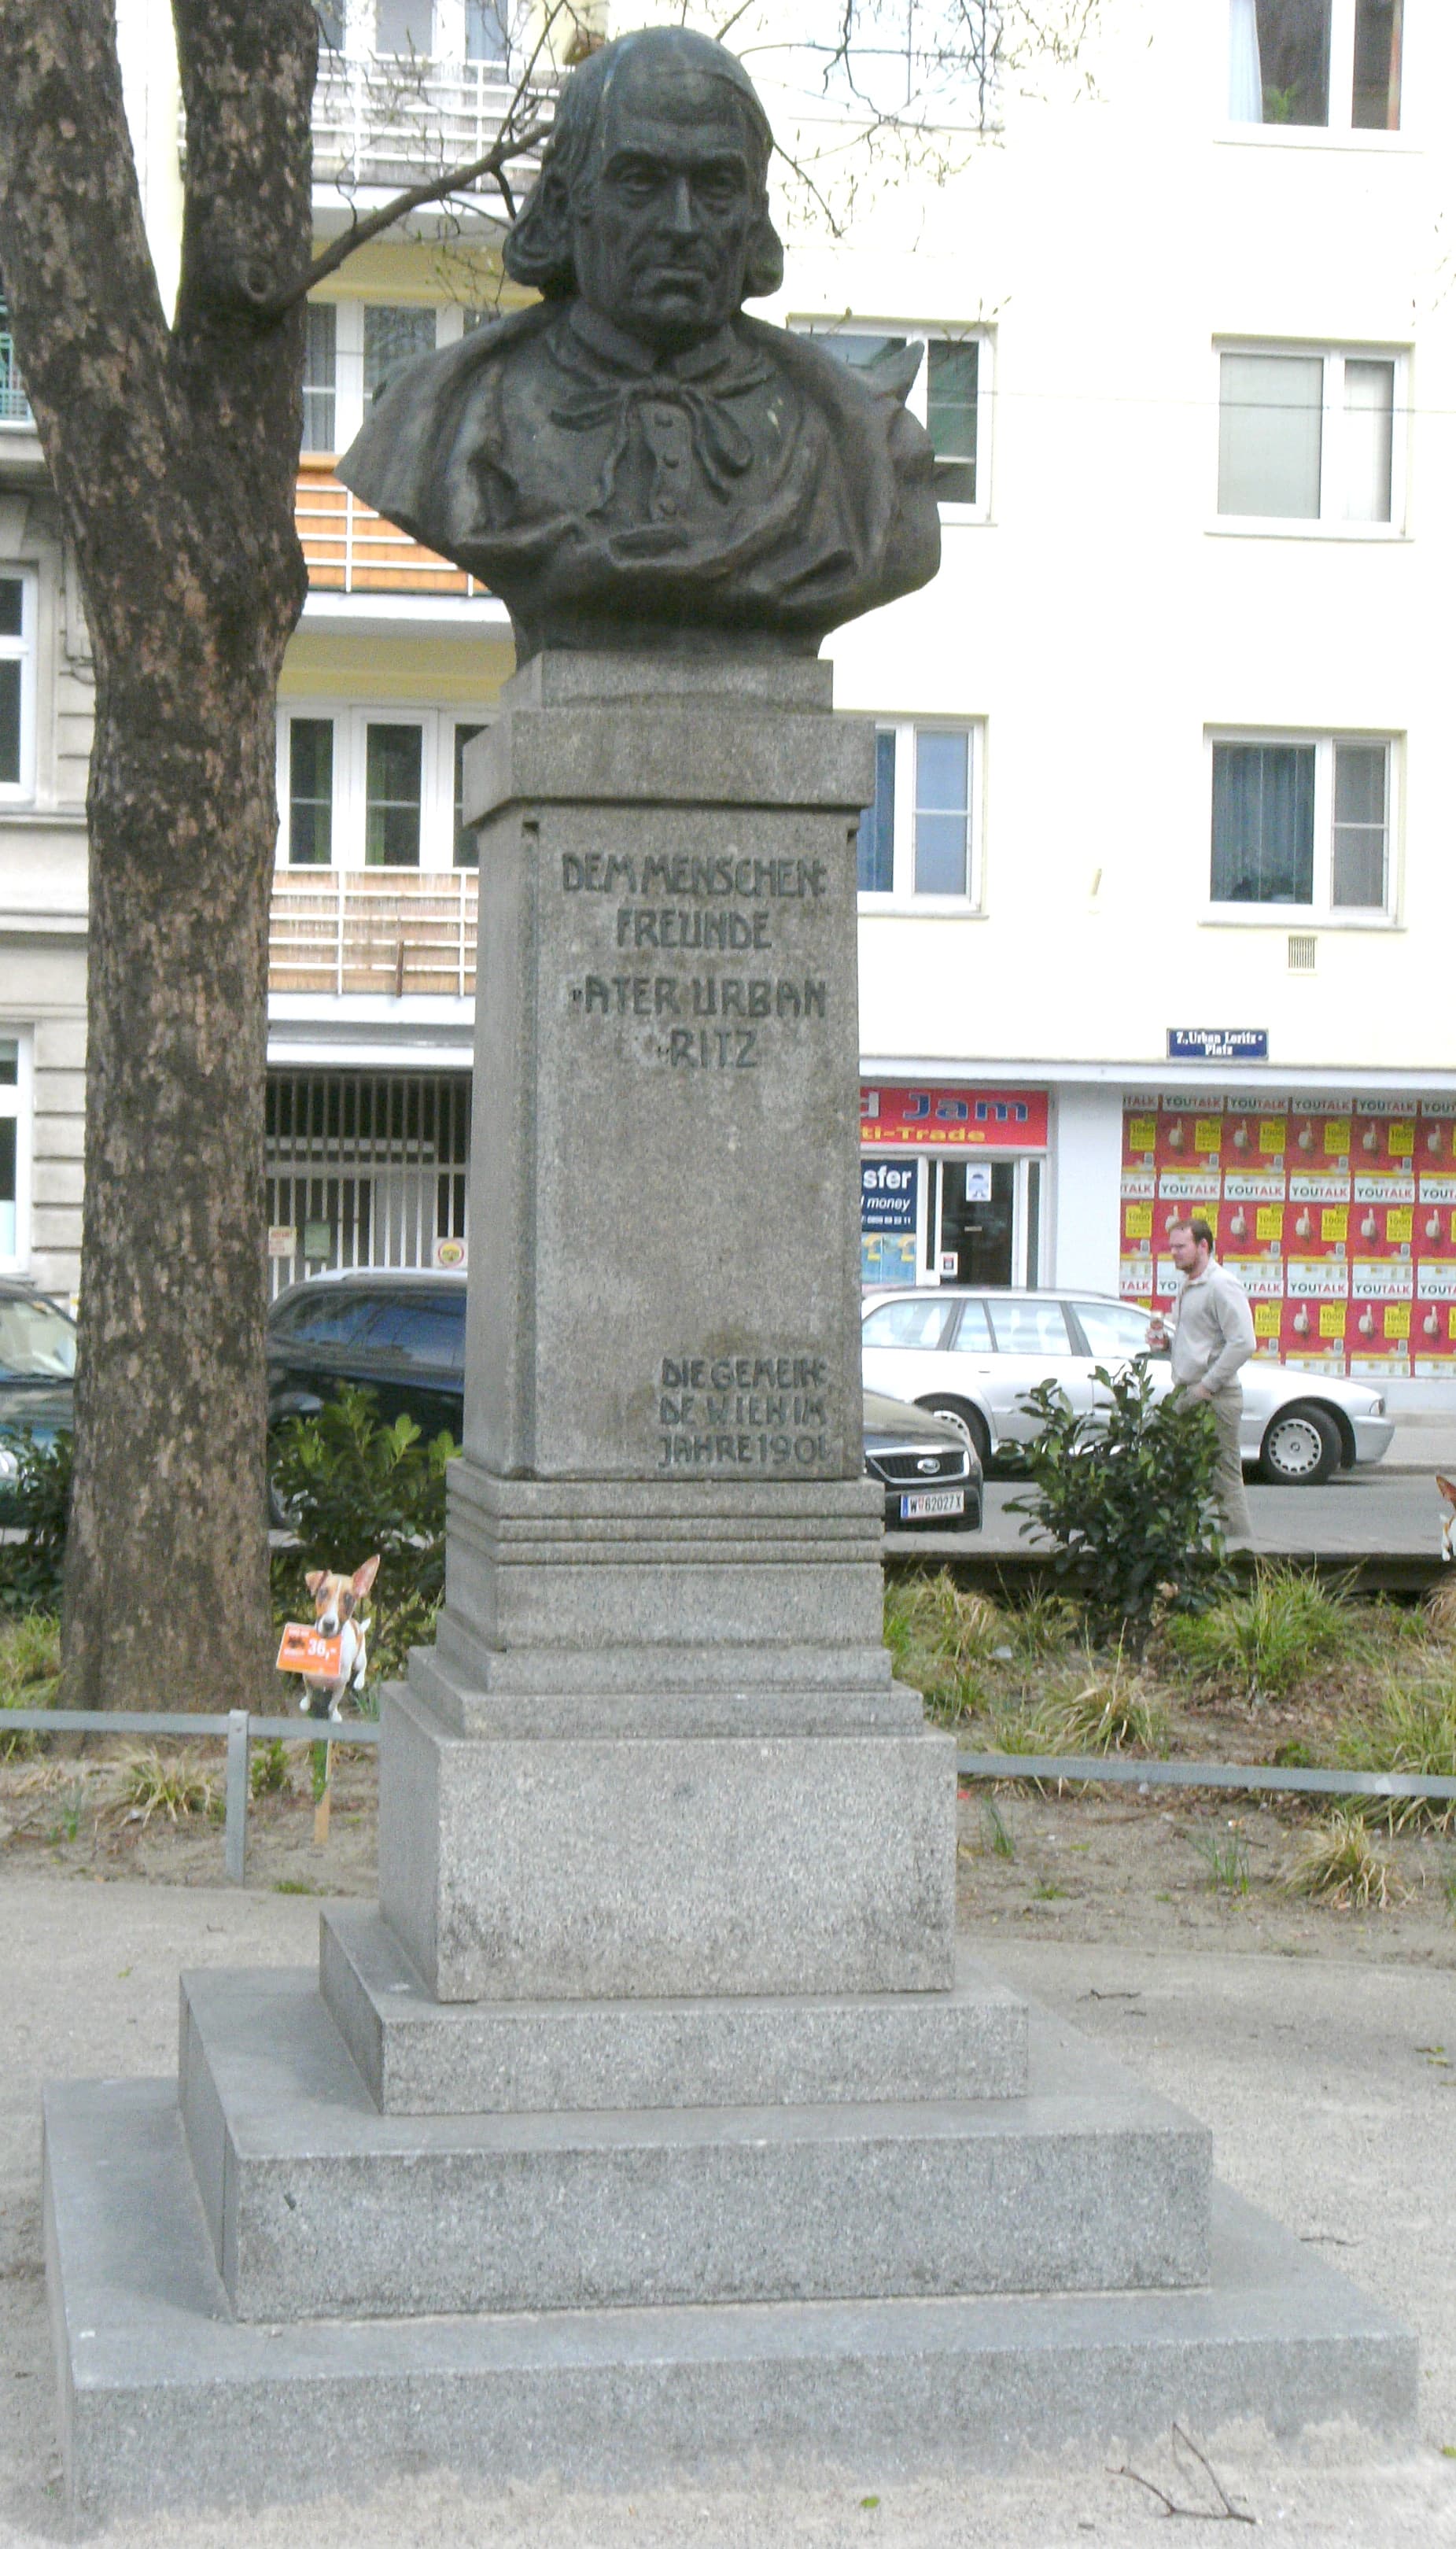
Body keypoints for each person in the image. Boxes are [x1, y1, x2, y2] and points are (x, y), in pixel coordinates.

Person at [338, 27, 942, 658]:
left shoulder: (869, 450)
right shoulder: (439, 420)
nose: (682, 225)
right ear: (567, 204)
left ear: (753, 213)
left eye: (714, 186)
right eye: (639, 181)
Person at [1148, 1215, 1255, 1541]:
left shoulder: (1222, 1285)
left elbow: (1244, 1343)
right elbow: (1199, 1340)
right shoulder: (1189, 1285)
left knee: (1224, 1479)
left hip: (1215, 1396)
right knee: (1175, 1472)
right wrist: (1165, 1344)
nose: (1174, 1254)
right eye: (1172, 1247)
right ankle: (1177, 1547)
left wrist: (1207, 1387)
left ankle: (1243, 1557)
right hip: (1187, 1392)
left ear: (1203, 1246)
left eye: (1181, 1247)